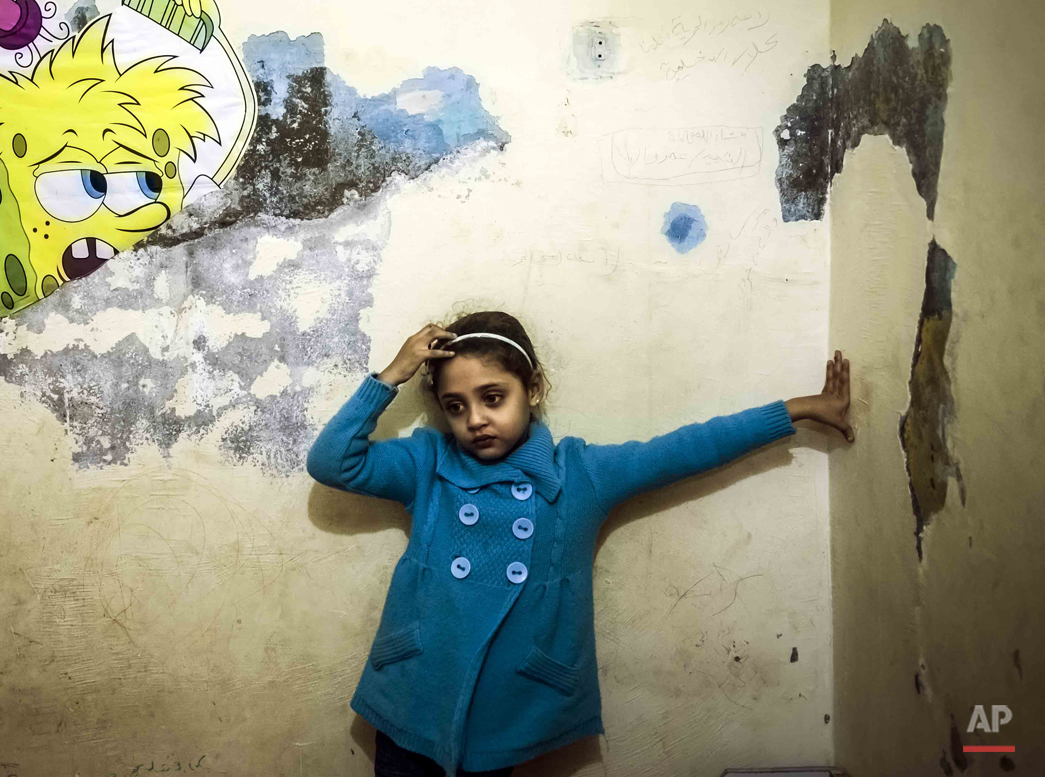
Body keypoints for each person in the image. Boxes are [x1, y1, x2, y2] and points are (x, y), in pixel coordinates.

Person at [306, 311, 854, 776]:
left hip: (507, 703)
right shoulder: (426, 463)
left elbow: (688, 448)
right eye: (455, 406)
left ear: (533, 389)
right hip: (412, 694)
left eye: (492, 397)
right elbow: (331, 461)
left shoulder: (580, 474)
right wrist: (392, 375)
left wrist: (797, 409)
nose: (475, 420)